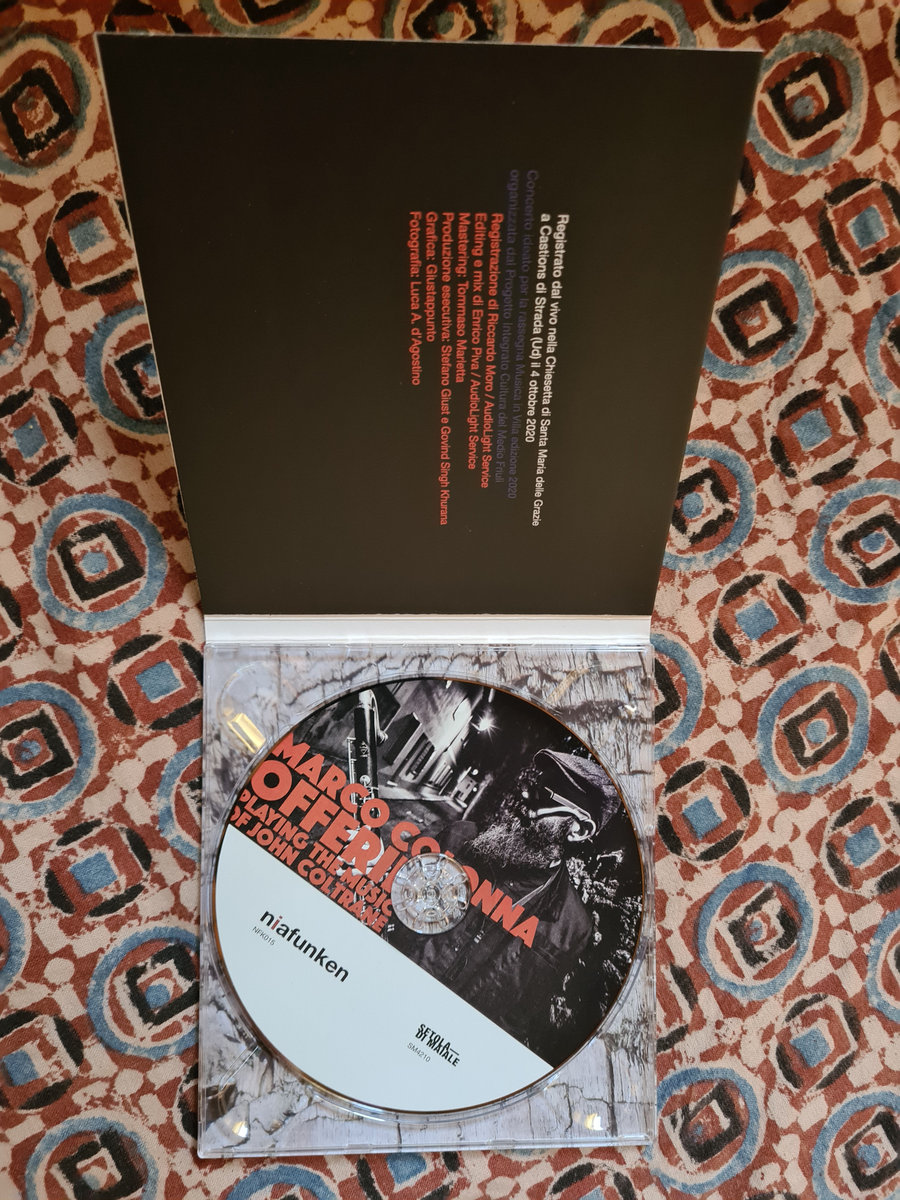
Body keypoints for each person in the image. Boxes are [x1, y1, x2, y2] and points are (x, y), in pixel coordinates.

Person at [387, 748, 630, 1065]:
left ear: (579, 829)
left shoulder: (571, 929)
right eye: (532, 785)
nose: (525, 795)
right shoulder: (457, 840)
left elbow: (515, 1022)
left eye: (546, 794)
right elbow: (383, 905)